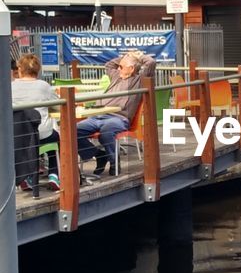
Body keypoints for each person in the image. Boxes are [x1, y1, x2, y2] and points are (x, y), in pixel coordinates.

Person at [77, 48, 155, 177]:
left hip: (118, 118)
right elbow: (109, 64)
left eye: (121, 66)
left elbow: (151, 63)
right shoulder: (116, 76)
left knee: (106, 132)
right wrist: (125, 57)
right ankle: (99, 155)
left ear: (131, 68)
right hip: (98, 115)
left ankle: (114, 163)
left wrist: (138, 56)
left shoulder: (139, 80)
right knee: (73, 131)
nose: (118, 68)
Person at [11, 54, 61, 189]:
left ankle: (27, 177)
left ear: (20, 69)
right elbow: (58, 105)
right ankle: (54, 175)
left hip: (18, 136)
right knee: (57, 138)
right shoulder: (43, 86)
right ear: (37, 70)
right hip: (41, 133)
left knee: (28, 144)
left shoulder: (10, 87)